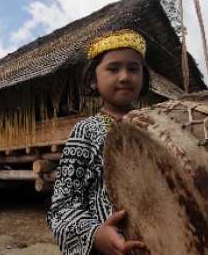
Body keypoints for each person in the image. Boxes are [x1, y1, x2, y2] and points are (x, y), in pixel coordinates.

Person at [47, 29, 149, 255]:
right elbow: (62, 206)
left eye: (133, 68)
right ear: (93, 80)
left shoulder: (155, 126)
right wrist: (96, 233)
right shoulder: (86, 131)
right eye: (113, 69)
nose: (125, 76)